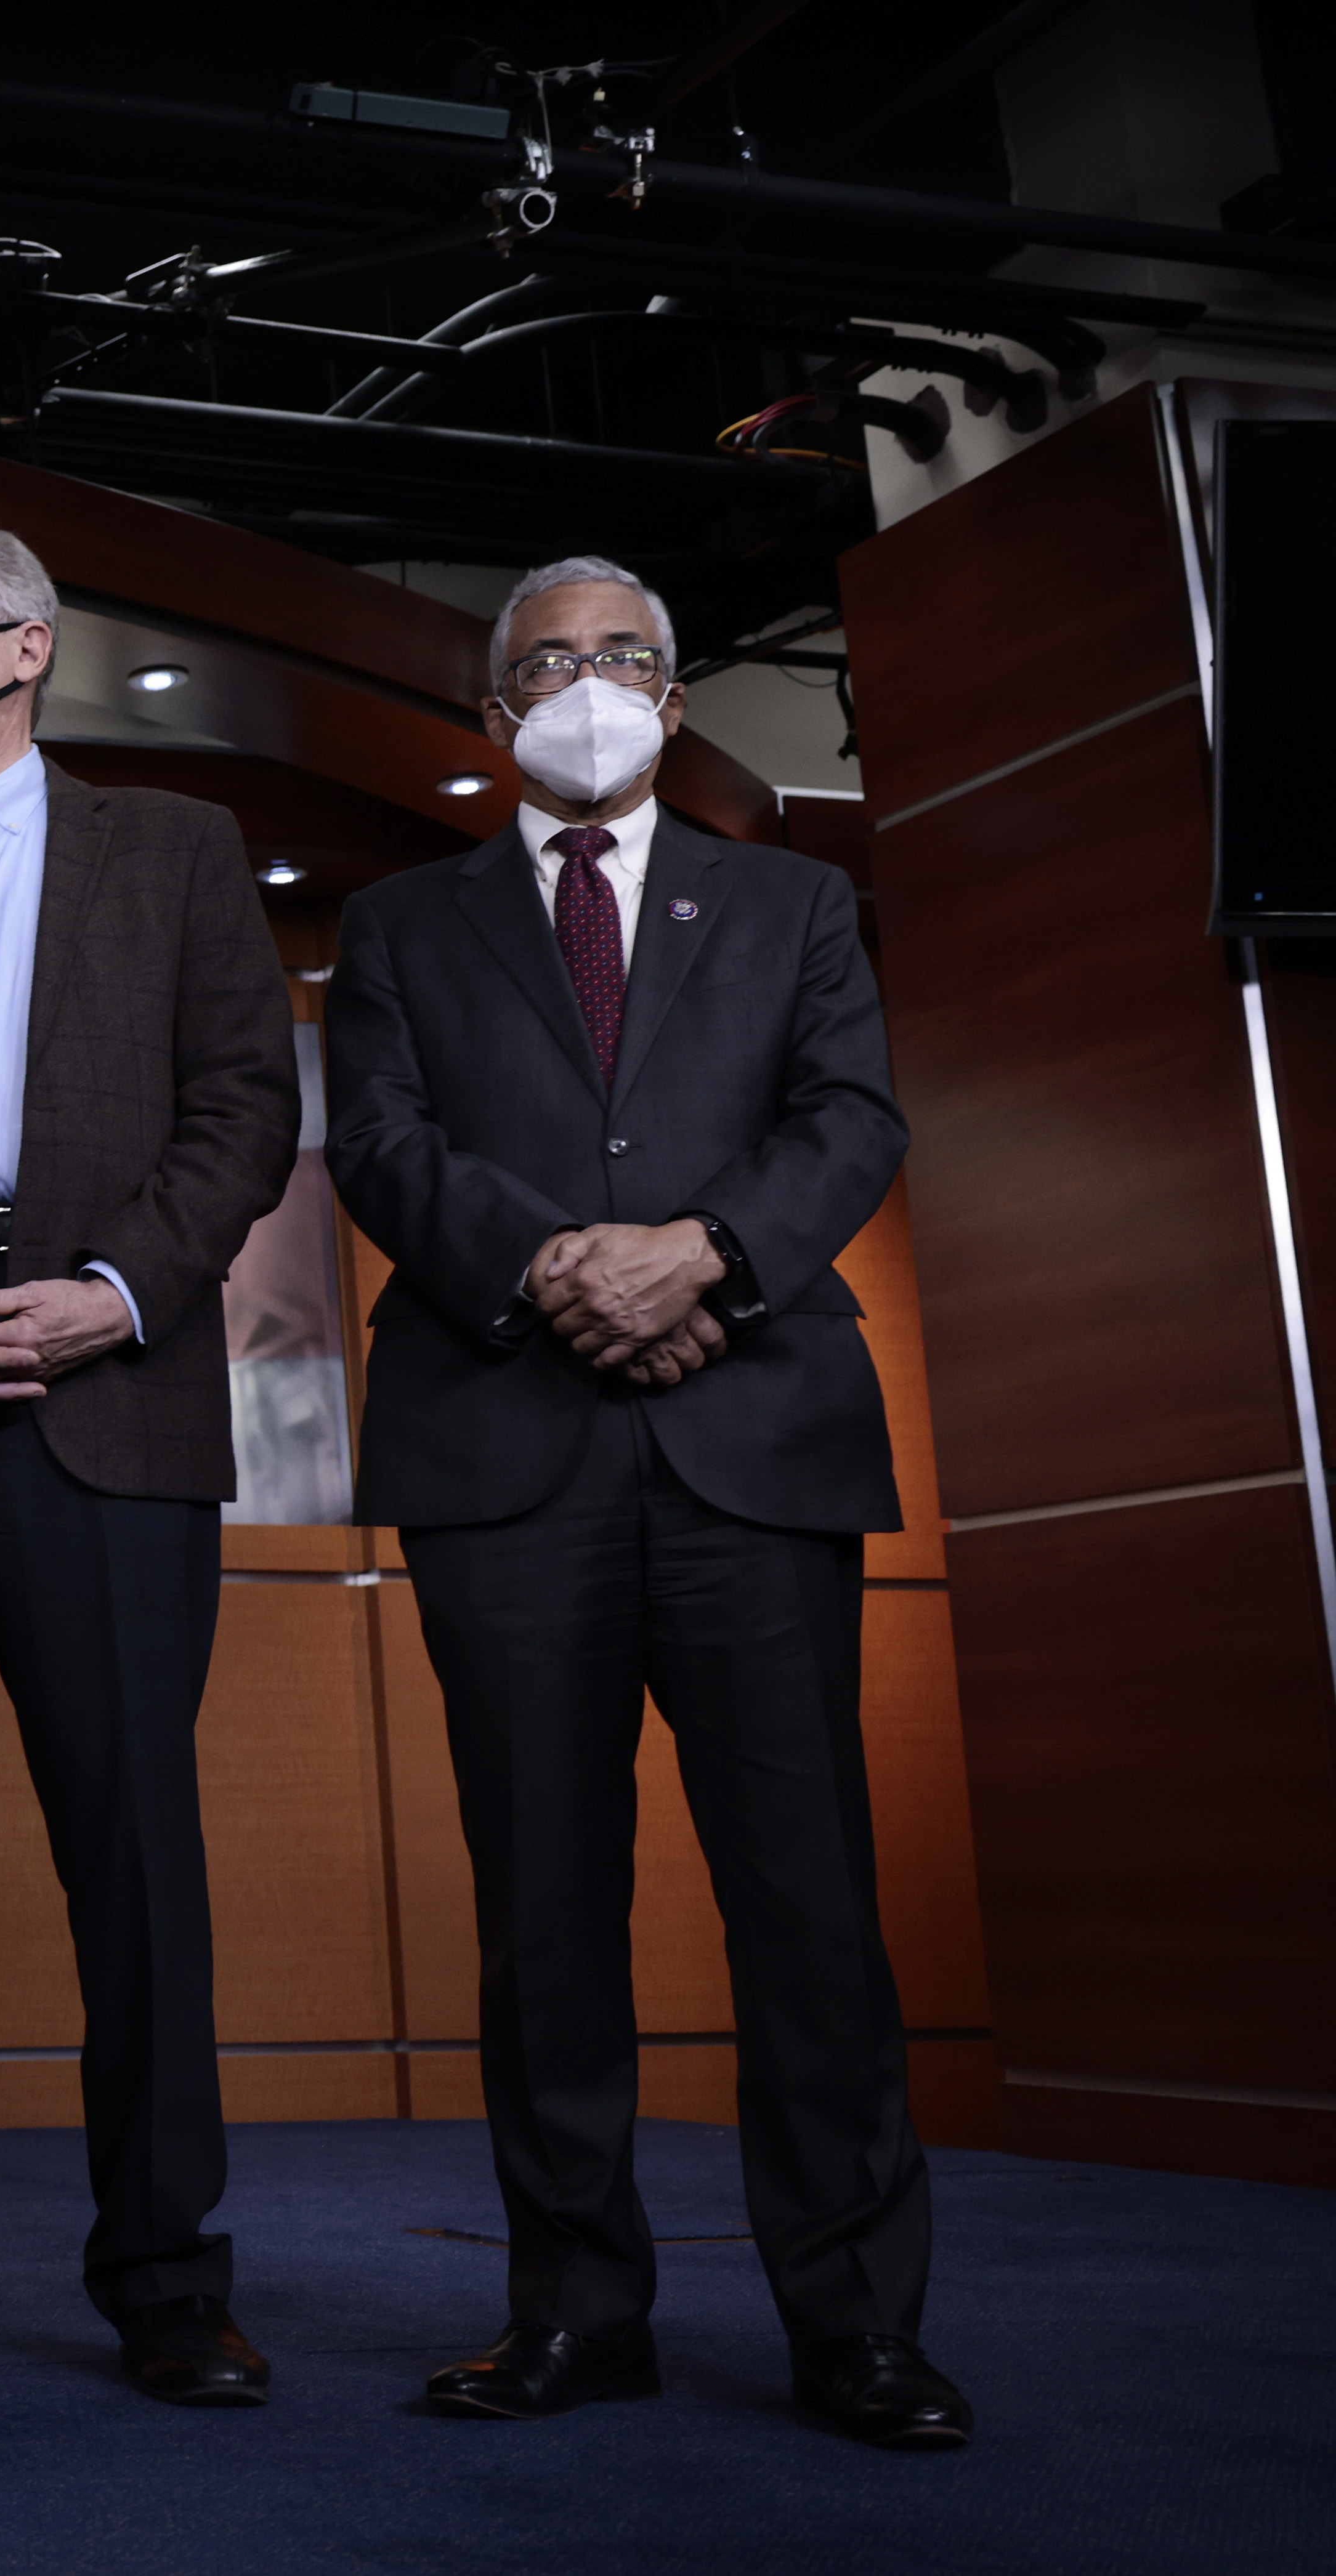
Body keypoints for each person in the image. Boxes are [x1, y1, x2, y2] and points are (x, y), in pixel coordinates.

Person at [325, 555, 966, 2451]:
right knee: (542, 1902)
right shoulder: (396, 920)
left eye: (617, 657)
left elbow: (848, 1117)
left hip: (749, 1438)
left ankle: (855, 2320)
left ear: (672, 699)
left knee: (808, 1906)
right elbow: (376, 1141)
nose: (580, 682)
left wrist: (700, 1255)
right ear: (490, 708)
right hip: (502, 1446)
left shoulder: (792, 902)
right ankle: (572, 2305)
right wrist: (559, 1271)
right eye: (542, 662)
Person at [0, 519, 301, 2408]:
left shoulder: (168, 850)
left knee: (132, 1858)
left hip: (108, 1410)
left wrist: (109, 1290)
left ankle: (168, 2275)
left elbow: (244, 1101)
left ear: (24, 647)